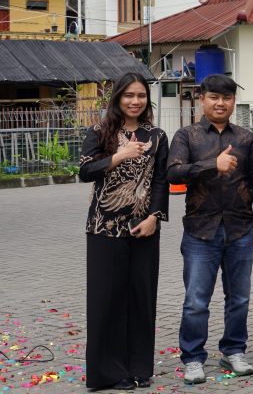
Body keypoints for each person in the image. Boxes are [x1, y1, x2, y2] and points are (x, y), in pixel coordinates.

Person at [167, 74, 253, 385]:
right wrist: (213, 164)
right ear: (202, 99)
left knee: (239, 296)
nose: (220, 103)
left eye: (226, 98)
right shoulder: (187, 135)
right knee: (197, 299)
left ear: (233, 102)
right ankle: (193, 357)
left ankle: (234, 350)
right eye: (214, 97)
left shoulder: (246, 138)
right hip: (201, 231)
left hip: (240, 228)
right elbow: (173, 173)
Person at [79, 73, 168, 390]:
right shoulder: (100, 132)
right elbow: (85, 171)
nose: (135, 101)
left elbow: (161, 180)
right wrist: (119, 156)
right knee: (108, 301)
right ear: (117, 98)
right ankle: (110, 373)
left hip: (144, 229)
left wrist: (155, 216)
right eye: (128, 95)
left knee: (141, 300)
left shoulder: (156, 135)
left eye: (141, 95)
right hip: (104, 229)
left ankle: (140, 368)